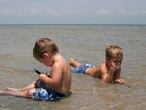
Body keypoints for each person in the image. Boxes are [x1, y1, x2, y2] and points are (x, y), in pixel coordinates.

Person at [0, 38, 72, 101]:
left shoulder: (57, 65)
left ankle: (13, 93)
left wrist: (44, 77)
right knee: (38, 82)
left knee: (30, 92)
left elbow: (55, 84)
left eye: (42, 61)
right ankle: (19, 90)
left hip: (57, 94)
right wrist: (45, 79)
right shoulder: (62, 60)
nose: (43, 63)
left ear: (46, 56)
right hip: (59, 90)